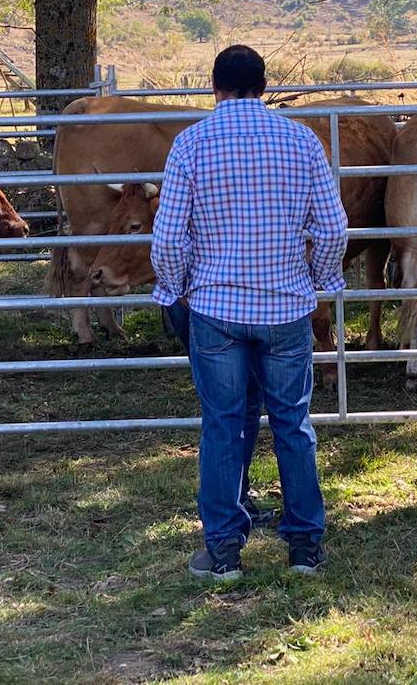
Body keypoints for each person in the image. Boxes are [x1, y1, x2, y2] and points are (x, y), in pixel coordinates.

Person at [152, 44, 347, 581]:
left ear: (214, 86)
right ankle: (305, 545)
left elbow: (168, 237)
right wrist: (318, 279)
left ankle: (222, 551)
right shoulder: (302, 140)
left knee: (222, 426)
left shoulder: (191, 143)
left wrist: (177, 288)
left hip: (215, 307)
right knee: (293, 423)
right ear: (265, 86)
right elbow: (332, 229)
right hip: (286, 308)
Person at [162, 299, 276, 528]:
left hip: (201, 300)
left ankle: (225, 513)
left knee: (224, 410)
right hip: (224, 303)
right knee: (242, 402)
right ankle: (229, 509)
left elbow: (166, 262)